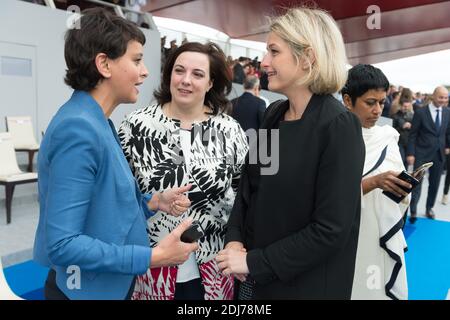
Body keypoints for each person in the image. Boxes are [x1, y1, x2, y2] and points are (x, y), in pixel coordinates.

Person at [33, 8, 198, 300]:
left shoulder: (97, 120)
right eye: (136, 60)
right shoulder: (79, 129)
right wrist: (153, 257)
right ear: (104, 65)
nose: (145, 71)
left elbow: (105, 202)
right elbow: (62, 243)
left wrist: (154, 202)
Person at [216, 7, 365, 299]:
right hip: (255, 283)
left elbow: (330, 230)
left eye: (274, 51)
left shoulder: (339, 126)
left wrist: (255, 262)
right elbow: (249, 190)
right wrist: (234, 240)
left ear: (308, 57)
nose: (264, 62)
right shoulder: (273, 114)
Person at [118, 42, 249, 300]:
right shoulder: (136, 126)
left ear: (211, 83)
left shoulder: (230, 130)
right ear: (169, 75)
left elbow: (244, 197)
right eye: (179, 71)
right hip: (151, 267)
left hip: (213, 268)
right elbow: (120, 195)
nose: (185, 80)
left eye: (198, 74)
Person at [342, 64, 410, 300]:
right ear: (348, 100)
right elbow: (327, 195)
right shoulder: (332, 137)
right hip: (341, 233)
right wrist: (373, 183)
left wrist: (403, 188)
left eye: (382, 103)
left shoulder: (388, 138)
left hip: (377, 233)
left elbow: (401, 196)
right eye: (370, 102)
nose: (378, 110)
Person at [407, 86, 450, 222]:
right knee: (417, 184)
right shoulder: (420, 112)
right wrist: (410, 153)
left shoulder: (447, 112)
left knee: (435, 184)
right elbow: (413, 135)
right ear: (433, 96)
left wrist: (448, 146)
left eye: (445, 97)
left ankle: (429, 208)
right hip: (421, 154)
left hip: (439, 155)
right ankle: (413, 210)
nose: (443, 100)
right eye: (440, 97)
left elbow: (447, 132)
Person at [392, 98, 414, 167]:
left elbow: (416, 129)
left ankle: (405, 177)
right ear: (400, 106)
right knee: (401, 160)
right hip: (399, 142)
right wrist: (402, 127)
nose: (406, 108)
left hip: (408, 141)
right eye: (404, 106)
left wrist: (411, 126)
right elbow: (392, 130)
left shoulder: (412, 115)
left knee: (406, 162)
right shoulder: (395, 116)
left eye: (408, 106)